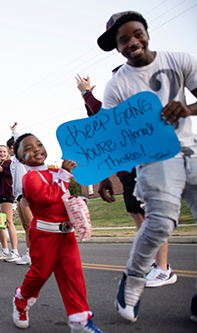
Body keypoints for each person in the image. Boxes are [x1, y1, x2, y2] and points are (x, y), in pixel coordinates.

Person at [97, 10, 197, 322]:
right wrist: (103, 175)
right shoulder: (116, 87)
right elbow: (107, 135)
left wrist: (187, 108)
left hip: (191, 149)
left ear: (147, 32)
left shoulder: (180, 60)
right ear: (117, 47)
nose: (132, 42)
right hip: (154, 159)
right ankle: (134, 277)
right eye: (123, 40)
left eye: (136, 34)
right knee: (161, 222)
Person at [76, 71, 178, 288]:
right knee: (136, 213)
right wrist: (87, 98)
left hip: (144, 167)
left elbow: (106, 117)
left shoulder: (137, 106)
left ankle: (163, 268)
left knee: (151, 217)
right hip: (126, 171)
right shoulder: (114, 106)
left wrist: (86, 93)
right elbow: (98, 122)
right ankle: (152, 260)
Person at [11, 133, 104, 332]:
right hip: (45, 236)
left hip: (67, 236)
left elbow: (64, 195)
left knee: (74, 275)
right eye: (27, 149)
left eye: (38, 145)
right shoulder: (30, 178)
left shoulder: (56, 172)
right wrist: (63, 174)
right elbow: (46, 198)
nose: (35, 149)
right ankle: (20, 301)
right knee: (39, 274)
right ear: (20, 159)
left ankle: (79, 322)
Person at [9, 124, 34, 266]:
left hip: (27, 192)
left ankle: (37, 254)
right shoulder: (14, 162)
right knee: (26, 225)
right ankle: (29, 253)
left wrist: (14, 132)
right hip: (18, 194)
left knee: (31, 225)